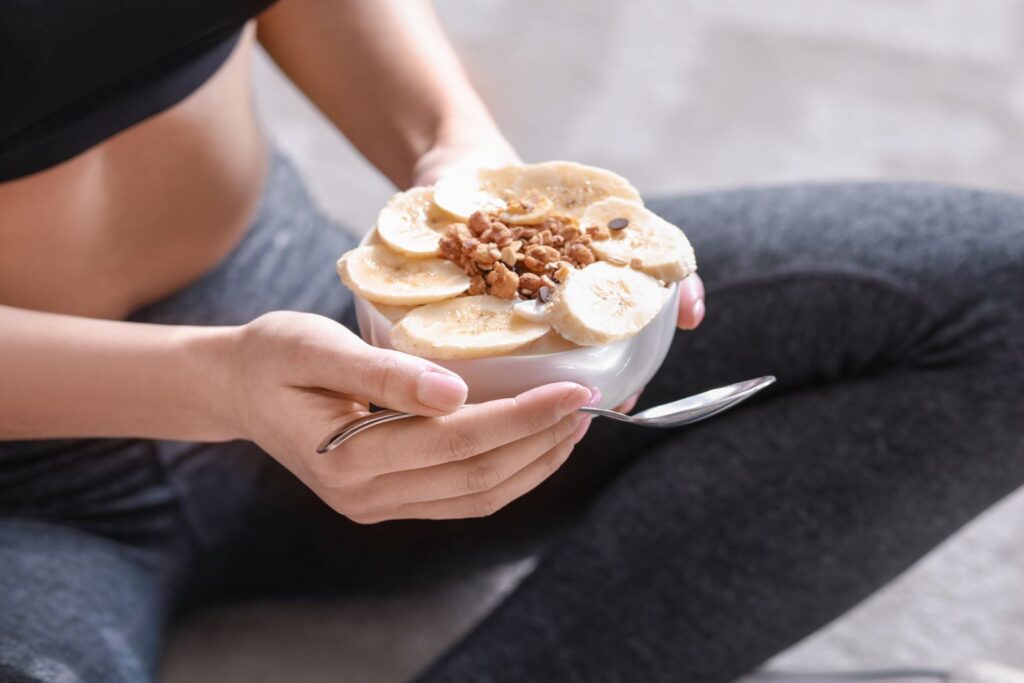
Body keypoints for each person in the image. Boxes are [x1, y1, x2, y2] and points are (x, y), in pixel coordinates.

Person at [1, 1, 1021, 681]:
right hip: (25, 499)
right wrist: (218, 385)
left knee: (1001, 295)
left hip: (307, 308)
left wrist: (459, 150)